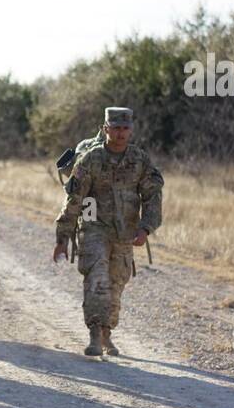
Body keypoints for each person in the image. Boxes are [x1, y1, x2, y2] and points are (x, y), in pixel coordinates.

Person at [52, 106, 163, 356]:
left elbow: (153, 195)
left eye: (125, 128)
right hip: (93, 229)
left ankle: (106, 333)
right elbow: (74, 199)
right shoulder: (90, 159)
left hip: (125, 233)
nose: (121, 133)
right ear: (106, 129)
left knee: (116, 283)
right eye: (116, 128)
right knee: (97, 278)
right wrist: (63, 237)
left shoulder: (139, 160)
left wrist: (146, 227)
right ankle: (94, 333)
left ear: (131, 130)